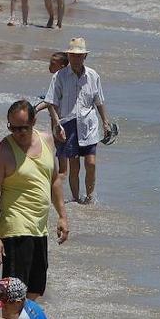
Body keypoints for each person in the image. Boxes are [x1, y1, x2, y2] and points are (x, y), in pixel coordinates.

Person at [0, 100, 70, 299]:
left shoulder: (47, 141)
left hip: (40, 229)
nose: (18, 133)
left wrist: (62, 216)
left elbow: (55, 180)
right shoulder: (1, 152)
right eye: (13, 128)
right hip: (15, 230)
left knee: (34, 292)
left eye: (23, 127)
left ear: (34, 122)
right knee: (14, 296)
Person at [42, 37, 112, 205]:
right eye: (73, 55)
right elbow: (51, 102)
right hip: (68, 124)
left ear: (85, 57)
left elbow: (99, 101)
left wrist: (105, 122)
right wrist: (57, 124)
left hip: (89, 124)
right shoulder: (60, 76)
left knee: (91, 163)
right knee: (74, 166)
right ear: (69, 55)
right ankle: (76, 198)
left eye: (79, 55)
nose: (76, 58)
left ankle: (89, 197)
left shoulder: (93, 75)